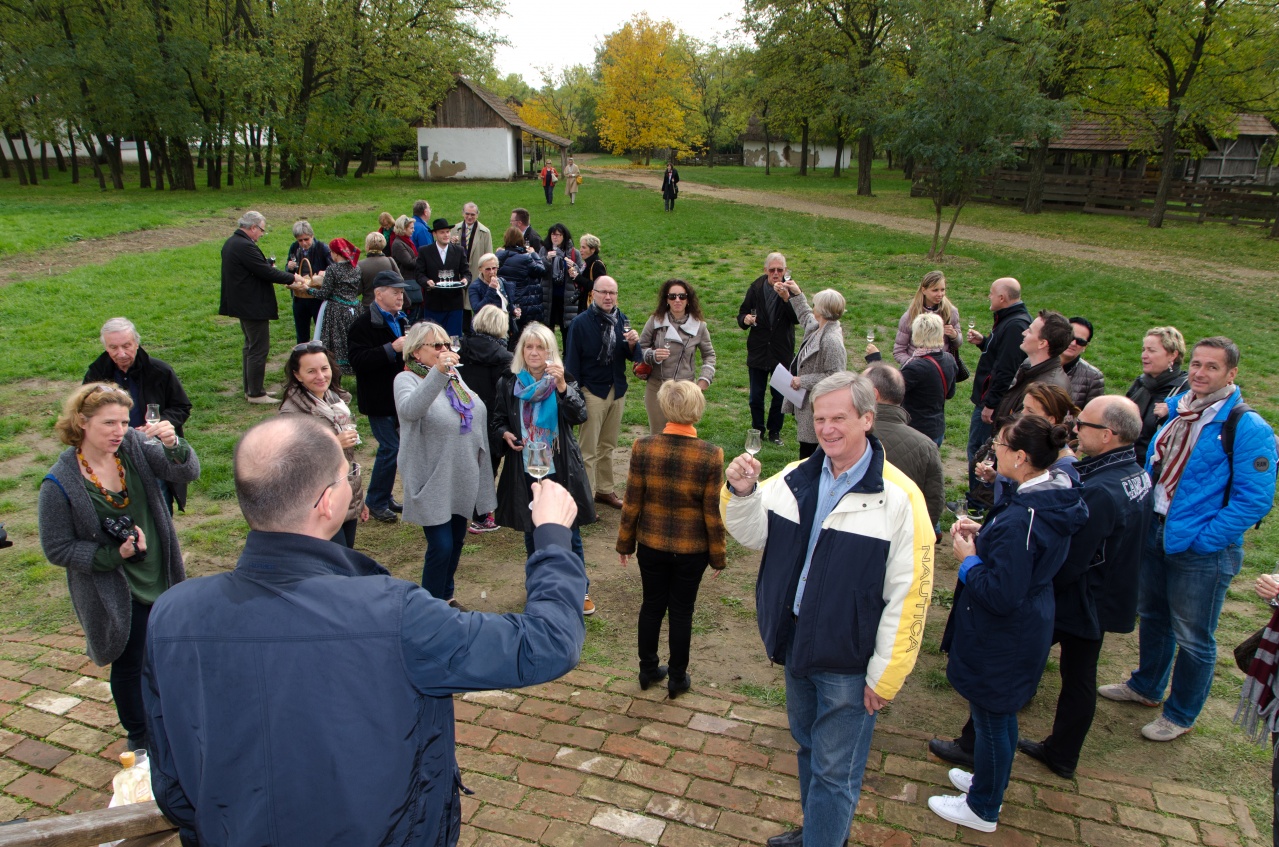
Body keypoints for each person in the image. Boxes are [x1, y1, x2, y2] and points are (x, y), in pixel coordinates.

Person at [141, 415, 586, 847]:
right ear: (327, 502)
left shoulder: (173, 614)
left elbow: (173, 783)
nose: (354, 482)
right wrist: (551, 537)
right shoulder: (393, 613)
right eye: (348, 474)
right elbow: (546, 643)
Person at [723, 371, 932, 847]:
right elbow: (752, 534)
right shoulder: (797, 476)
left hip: (849, 661)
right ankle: (817, 832)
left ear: (867, 419)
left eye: (839, 418)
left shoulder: (900, 498)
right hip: (796, 641)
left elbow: (911, 592)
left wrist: (887, 673)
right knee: (808, 747)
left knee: (835, 772)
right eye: (819, 418)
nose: (827, 428)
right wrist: (742, 493)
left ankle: (822, 836)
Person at [1099, 337, 1277, 741]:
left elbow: (1254, 500)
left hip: (1202, 549)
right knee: (1154, 616)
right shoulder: (1181, 409)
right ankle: (1146, 686)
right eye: (1196, 364)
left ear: (1231, 374)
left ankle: (1180, 714)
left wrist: (1205, 539)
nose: (1200, 372)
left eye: (1212, 367)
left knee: (1194, 637)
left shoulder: (1248, 427)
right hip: (1157, 531)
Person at [928, 415, 1088, 833]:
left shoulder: (1023, 518)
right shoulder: (1050, 495)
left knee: (993, 717)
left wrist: (969, 560)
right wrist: (987, 532)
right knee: (995, 715)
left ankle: (983, 807)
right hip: (1026, 622)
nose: (993, 451)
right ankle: (987, 777)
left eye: (999, 445)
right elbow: (1026, 553)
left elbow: (1001, 593)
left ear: (1020, 457)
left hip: (1006, 634)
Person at [39, 383, 199, 752]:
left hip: (160, 572)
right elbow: (57, 548)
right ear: (82, 422)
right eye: (108, 423)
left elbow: (186, 472)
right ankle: (139, 736)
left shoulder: (134, 446)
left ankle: (173, 721)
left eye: (124, 422)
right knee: (130, 662)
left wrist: (173, 443)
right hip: (115, 587)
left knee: (167, 652)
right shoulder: (59, 482)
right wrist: (115, 555)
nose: (119, 431)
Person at [1020, 396, 1151, 778]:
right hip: (1106, 593)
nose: (1074, 429)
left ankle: (977, 742)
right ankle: (1061, 753)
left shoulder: (1101, 489)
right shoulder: (1136, 472)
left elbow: (1073, 558)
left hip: (1081, 598)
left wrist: (1035, 588)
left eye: (1083, 425)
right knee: (1080, 675)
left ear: (1108, 435)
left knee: (1017, 657)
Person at [617, 380, 726, 697]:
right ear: (697, 410)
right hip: (692, 550)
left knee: (651, 606)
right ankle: (677, 677)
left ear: (665, 408)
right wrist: (718, 555)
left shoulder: (643, 446)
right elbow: (712, 512)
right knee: (682, 611)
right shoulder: (711, 455)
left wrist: (625, 543)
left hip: (651, 545)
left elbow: (632, 501)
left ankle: (648, 669)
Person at [491, 323, 597, 614]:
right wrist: (504, 434)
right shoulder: (509, 382)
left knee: (569, 530)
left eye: (541, 347)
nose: (534, 352)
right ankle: (539, 587)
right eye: (529, 346)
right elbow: (498, 419)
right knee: (532, 529)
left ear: (551, 352)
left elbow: (580, 415)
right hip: (525, 467)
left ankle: (579, 589)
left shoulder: (564, 380)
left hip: (559, 466)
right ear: (521, 351)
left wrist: (562, 388)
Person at [395, 322, 496, 608]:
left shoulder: (453, 375)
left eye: (447, 345)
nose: (444, 350)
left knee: (456, 541)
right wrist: (438, 373)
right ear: (416, 352)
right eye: (437, 345)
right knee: (441, 546)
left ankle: (446, 596)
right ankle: (427, 608)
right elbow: (410, 410)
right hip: (432, 476)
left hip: (460, 472)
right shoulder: (406, 379)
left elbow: (474, 408)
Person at [83, 317, 192, 512]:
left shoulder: (159, 371)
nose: (121, 353)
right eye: (114, 347)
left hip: (151, 448)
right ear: (106, 348)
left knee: (158, 506)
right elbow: (84, 413)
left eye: (126, 346)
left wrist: (158, 425)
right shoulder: (96, 375)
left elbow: (181, 406)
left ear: (136, 343)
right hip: (110, 452)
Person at [278, 342, 369, 547]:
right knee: (333, 559)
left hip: (344, 496)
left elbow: (347, 461)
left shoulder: (335, 401)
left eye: (324, 368)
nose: (320, 376)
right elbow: (291, 462)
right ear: (298, 375)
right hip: (318, 503)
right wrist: (334, 443)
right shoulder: (291, 414)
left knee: (345, 554)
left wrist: (357, 502)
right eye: (311, 371)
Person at [565, 276, 642, 510]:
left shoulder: (621, 319)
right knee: (588, 450)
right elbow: (571, 363)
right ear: (593, 294)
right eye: (603, 292)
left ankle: (605, 490)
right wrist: (575, 394)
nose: (608, 297)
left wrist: (633, 344)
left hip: (616, 390)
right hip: (592, 392)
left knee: (607, 445)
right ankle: (585, 499)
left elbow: (630, 355)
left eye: (612, 293)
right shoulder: (580, 323)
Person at [219, 211, 304, 404]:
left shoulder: (233, 242)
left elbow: (256, 268)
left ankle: (251, 389)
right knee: (258, 348)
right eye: (261, 230)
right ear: (253, 227)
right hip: (252, 305)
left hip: (242, 303)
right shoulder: (244, 245)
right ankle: (256, 394)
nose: (262, 234)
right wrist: (292, 277)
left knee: (250, 346)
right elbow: (264, 272)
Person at [347, 272, 412, 523]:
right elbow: (357, 361)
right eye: (395, 292)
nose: (400, 296)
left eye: (401, 292)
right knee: (391, 448)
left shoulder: (400, 319)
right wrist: (391, 349)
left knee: (396, 448)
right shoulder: (362, 325)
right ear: (378, 294)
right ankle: (375, 501)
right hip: (378, 398)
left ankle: (384, 496)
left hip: (398, 396)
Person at [963, 278, 1030, 509]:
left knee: (979, 451)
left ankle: (977, 502)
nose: (988, 297)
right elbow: (1000, 353)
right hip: (989, 399)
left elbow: (1006, 369)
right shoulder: (1008, 319)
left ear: (1002, 298)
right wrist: (984, 342)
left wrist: (990, 404)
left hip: (992, 402)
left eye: (991, 293)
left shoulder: (1014, 326)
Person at [864, 363, 944, 530]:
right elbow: (933, 503)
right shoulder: (927, 446)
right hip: (904, 533)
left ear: (874, 394)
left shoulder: (843, 436)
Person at [777, 281, 847, 458]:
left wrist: (803, 381)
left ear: (822, 310)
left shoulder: (831, 340)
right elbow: (805, 315)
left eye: (815, 304)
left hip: (819, 407)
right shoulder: (818, 327)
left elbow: (836, 376)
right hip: (810, 406)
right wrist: (797, 294)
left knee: (810, 454)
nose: (813, 307)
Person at [460, 304, 514, 535]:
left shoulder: (461, 348)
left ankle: (467, 508)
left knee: (468, 464)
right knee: (488, 465)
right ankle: (481, 516)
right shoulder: (505, 357)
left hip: (464, 413)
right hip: (492, 417)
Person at [737, 253, 800, 448]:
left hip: (781, 351)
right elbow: (741, 314)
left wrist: (786, 299)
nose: (776, 273)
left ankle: (775, 432)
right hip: (759, 350)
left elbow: (798, 318)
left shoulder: (792, 289)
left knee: (779, 396)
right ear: (765, 270)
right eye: (772, 270)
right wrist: (745, 319)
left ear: (785, 271)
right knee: (755, 396)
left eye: (779, 270)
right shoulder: (755, 289)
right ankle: (757, 430)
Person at [638, 279, 716, 435]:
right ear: (666, 300)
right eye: (672, 296)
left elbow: (709, 355)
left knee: (683, 436)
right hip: (657, 388)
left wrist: (702, 383)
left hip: (685, 391)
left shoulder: (699, 326)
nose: (677, 300)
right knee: (658, 436)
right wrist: (653, 355)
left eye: (682, 296)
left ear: (688, 299)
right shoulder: (655, 321)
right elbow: (640, 349)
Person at [871, 313, 955, 447]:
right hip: (937, 428)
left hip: (916, 430)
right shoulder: (949, 359)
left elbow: (889, 391)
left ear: (916, 334)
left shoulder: (916, 367)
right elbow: (950, 394)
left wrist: (875, 359)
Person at [1125, 326, 1188, 460]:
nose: (1144, 355)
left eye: (1151, 350)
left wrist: (1170, 413)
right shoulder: (1141, 382)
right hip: (1126, 460)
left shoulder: (1185, 390)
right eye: (1143, 349)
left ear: (1172, 355)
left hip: (1156, 466)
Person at [303, 237, 363, 375]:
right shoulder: (356, 268)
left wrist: (308, 289)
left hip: (336, 311)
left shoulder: (333, 269)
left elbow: (324, 293)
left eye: (331, 252)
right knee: (353, 340)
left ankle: (335, 378)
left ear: (336, 253)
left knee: (335, 345)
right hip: (355, 309)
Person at [414, 217, 470, 337]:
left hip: (454, 303)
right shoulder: (425, 251)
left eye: (448, 232)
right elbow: (419, 274)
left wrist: (465, 280)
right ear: (434, 234)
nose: (446, 235)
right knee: (434, 338)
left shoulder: (459, 251)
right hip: (434, 303)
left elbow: (466, 272)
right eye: (442, 232)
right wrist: (427, 281)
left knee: (454, 339)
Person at [893, 271, 961, 365]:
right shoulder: (910, 316)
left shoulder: (950, 312)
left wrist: (954, 335)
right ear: (923, 290)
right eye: (935, 290)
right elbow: (899, 351)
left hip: (942, 367)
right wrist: (914, 365)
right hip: (917, 368)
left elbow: (958, 343)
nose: (940, 294)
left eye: (942, 290)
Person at [284, 220, 332, 345]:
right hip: (299, 295)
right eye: (300, 240)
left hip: (317, 296)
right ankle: (302, 354)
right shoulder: (294, 247)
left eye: (306, 239)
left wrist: (324, 272)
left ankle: (321, 353)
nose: (303, 243)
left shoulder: (322, 248)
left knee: (321, 331)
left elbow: (332, 268)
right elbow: (288, 271)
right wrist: (289, 267)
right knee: (301, 333)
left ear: (312, 235)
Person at [497, 225, 547, 334]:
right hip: (525, 302)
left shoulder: (499, 256)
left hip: (507, 301)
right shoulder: (525, 258)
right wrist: (534, 254)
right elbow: (541, 270)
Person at [542, 223, 583, 342]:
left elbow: (580, 272)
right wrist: (546, 259)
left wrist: (573, 266)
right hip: (548, 297)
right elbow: (538, 270)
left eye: (558, 235)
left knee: (567, 330)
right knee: (547, 330)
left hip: (567, 298)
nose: (555, 237)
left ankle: (567, 353)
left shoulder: (573, 252)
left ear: (564, 236)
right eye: (553, 235)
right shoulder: (545, 250)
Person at [468, 252, 521, 342]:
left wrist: (514, 310)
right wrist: (491, 289)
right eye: (487, 269)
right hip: (487, 331)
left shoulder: (501, 281)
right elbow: (477, 309)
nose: (492, 272)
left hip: (505, 327)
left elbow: (506, 302)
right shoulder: (475, 287)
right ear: (480, 269)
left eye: (494, 268)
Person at [1062, 317, 1105, 409]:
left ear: (1085, 346)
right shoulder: (1037, 361)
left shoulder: (1093, 377)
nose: (1073, 343)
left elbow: (1093, 413)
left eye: (1080, 341)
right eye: (1070, 337)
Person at [358, 231, 399, 306]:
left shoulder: (360, 264)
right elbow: (399, 281)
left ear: (367, 246)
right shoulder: (390, 261)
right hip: (387, 304)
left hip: (369, 304)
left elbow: (358, 289)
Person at [389, 215, 419, 293]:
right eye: (411, 228)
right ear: (404, 229)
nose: (413, 230)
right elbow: (409, 263)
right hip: (407, 282)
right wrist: (422, 256)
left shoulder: (406, 241)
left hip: (412, 280)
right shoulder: (398, 244)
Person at [577, 233, 606, 314]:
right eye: (580, 247)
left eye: (584, 247)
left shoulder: (597, 265)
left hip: (591, 306)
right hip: (584, 303)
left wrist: (578, 277)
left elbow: (599, 287)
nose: (580, 250)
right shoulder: (587, 263)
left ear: (592, 249)